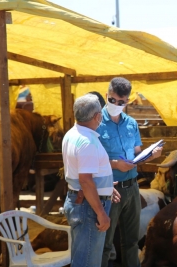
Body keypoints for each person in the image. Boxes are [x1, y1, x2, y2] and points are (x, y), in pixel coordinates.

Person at [98, 77, 163, 267]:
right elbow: (90, 159)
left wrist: (151, 155)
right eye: (112, 100)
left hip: (132, 187)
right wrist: (115, 164)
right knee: (105, 244)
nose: (116, 105)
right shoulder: (96, 122)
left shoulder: (131, 124)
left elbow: (136, 153)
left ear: (128, 101)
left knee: (131, 242)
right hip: (108, 189)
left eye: (121, 102)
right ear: (106, 95)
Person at [62, 94, 121, 267]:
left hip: (81, 201)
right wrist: (101, 213)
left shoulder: (73, 134)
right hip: (89, 207)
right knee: (88, 262)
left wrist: (107, 186)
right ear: (97, 116)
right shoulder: (87, 141)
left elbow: (85, 176)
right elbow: (86, 181)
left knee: (83, 258)